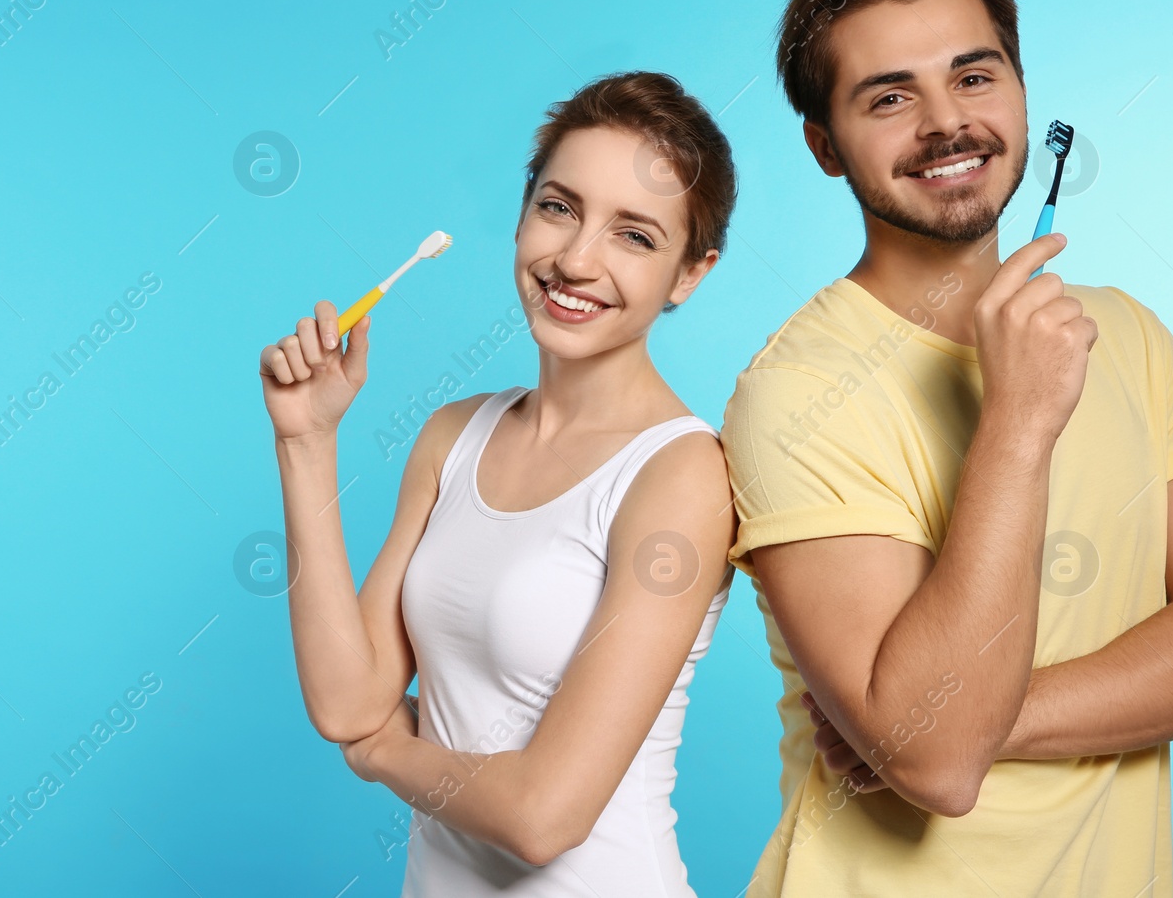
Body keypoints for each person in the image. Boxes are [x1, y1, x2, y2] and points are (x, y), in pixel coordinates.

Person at [722, 0, 1173, 896]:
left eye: (973, 77)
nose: (945, 122)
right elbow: (933, 766)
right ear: (823, 147)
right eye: (888, 96)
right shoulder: (795, 393)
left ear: (1018, 94)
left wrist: (983, 717)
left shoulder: (1122, 336)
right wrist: (1017, 420)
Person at [260, 71, 785, 893]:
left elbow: (545, 815)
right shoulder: (452, 435)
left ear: (690, 273)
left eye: (635, 236)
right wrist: (306, 440)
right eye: (559, 206)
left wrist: (388, 751)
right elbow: (345, 700)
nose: (576, 259)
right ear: (522, 212)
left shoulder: (680, 475)